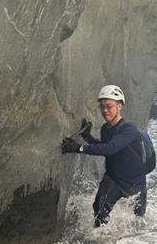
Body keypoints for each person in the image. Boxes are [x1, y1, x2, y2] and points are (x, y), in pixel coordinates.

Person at [60, 85, 147, 227]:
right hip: (113, 179)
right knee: (99, 213)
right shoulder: (106, 128)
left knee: (138, 222)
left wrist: (78, 148)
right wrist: (87, 136)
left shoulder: (129, 128)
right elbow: (105, 146)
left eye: (109, 106)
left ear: (119, 106)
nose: (105, 110)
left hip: (135, 182)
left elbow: (111, 148)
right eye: (102, 106)